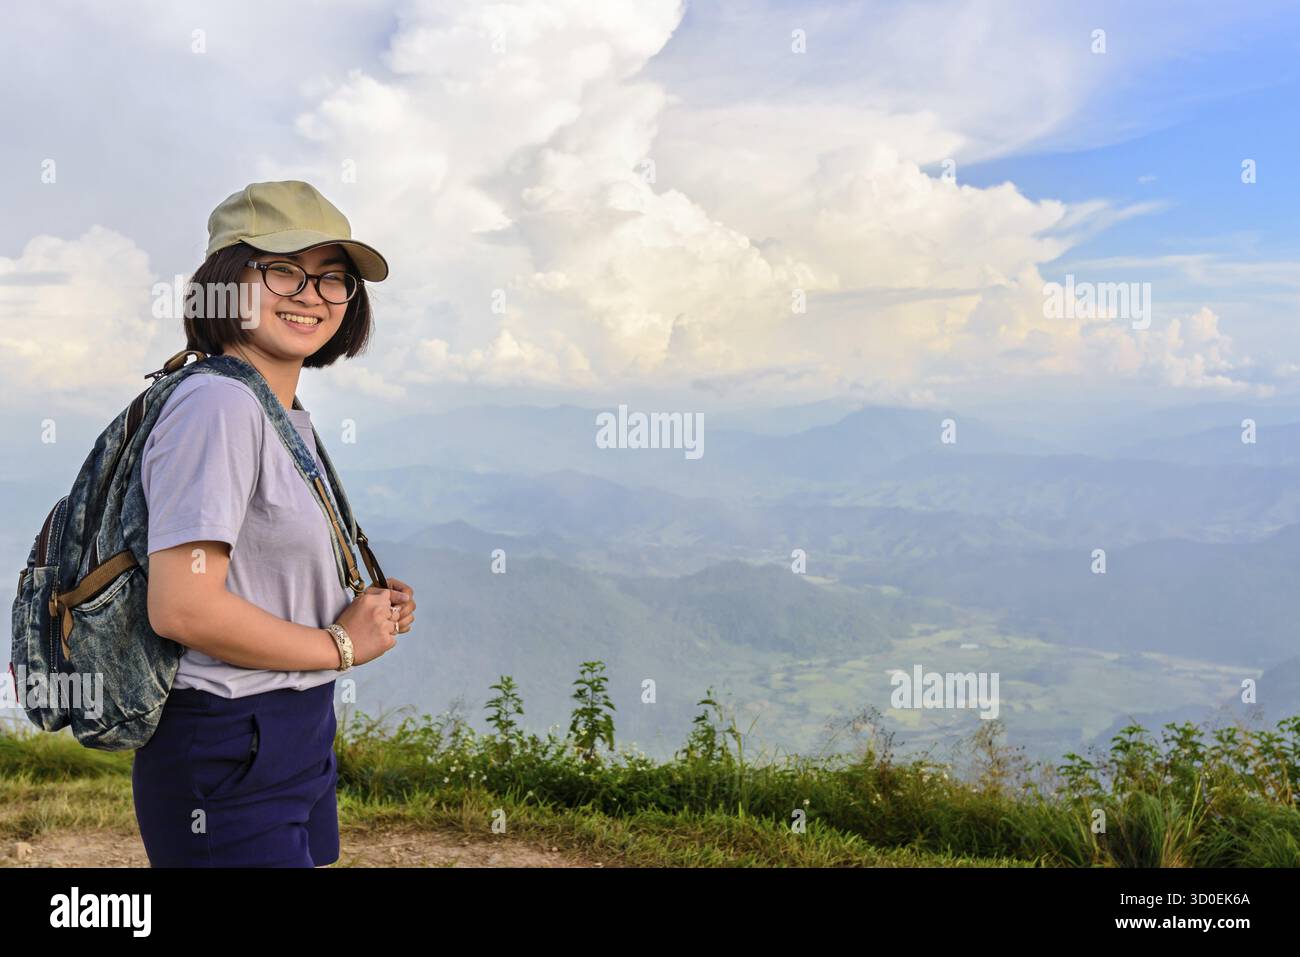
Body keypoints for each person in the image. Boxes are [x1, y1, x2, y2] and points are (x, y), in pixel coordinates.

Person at [130, 180, 417, 867]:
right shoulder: (218, 407)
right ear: (224, 284)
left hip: (293, 725)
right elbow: (182, 606)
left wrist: (350, 606)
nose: (310, 294)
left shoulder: (278, 412)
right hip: (230, 741)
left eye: (332, 278)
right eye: (282, 269)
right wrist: (342, 644)